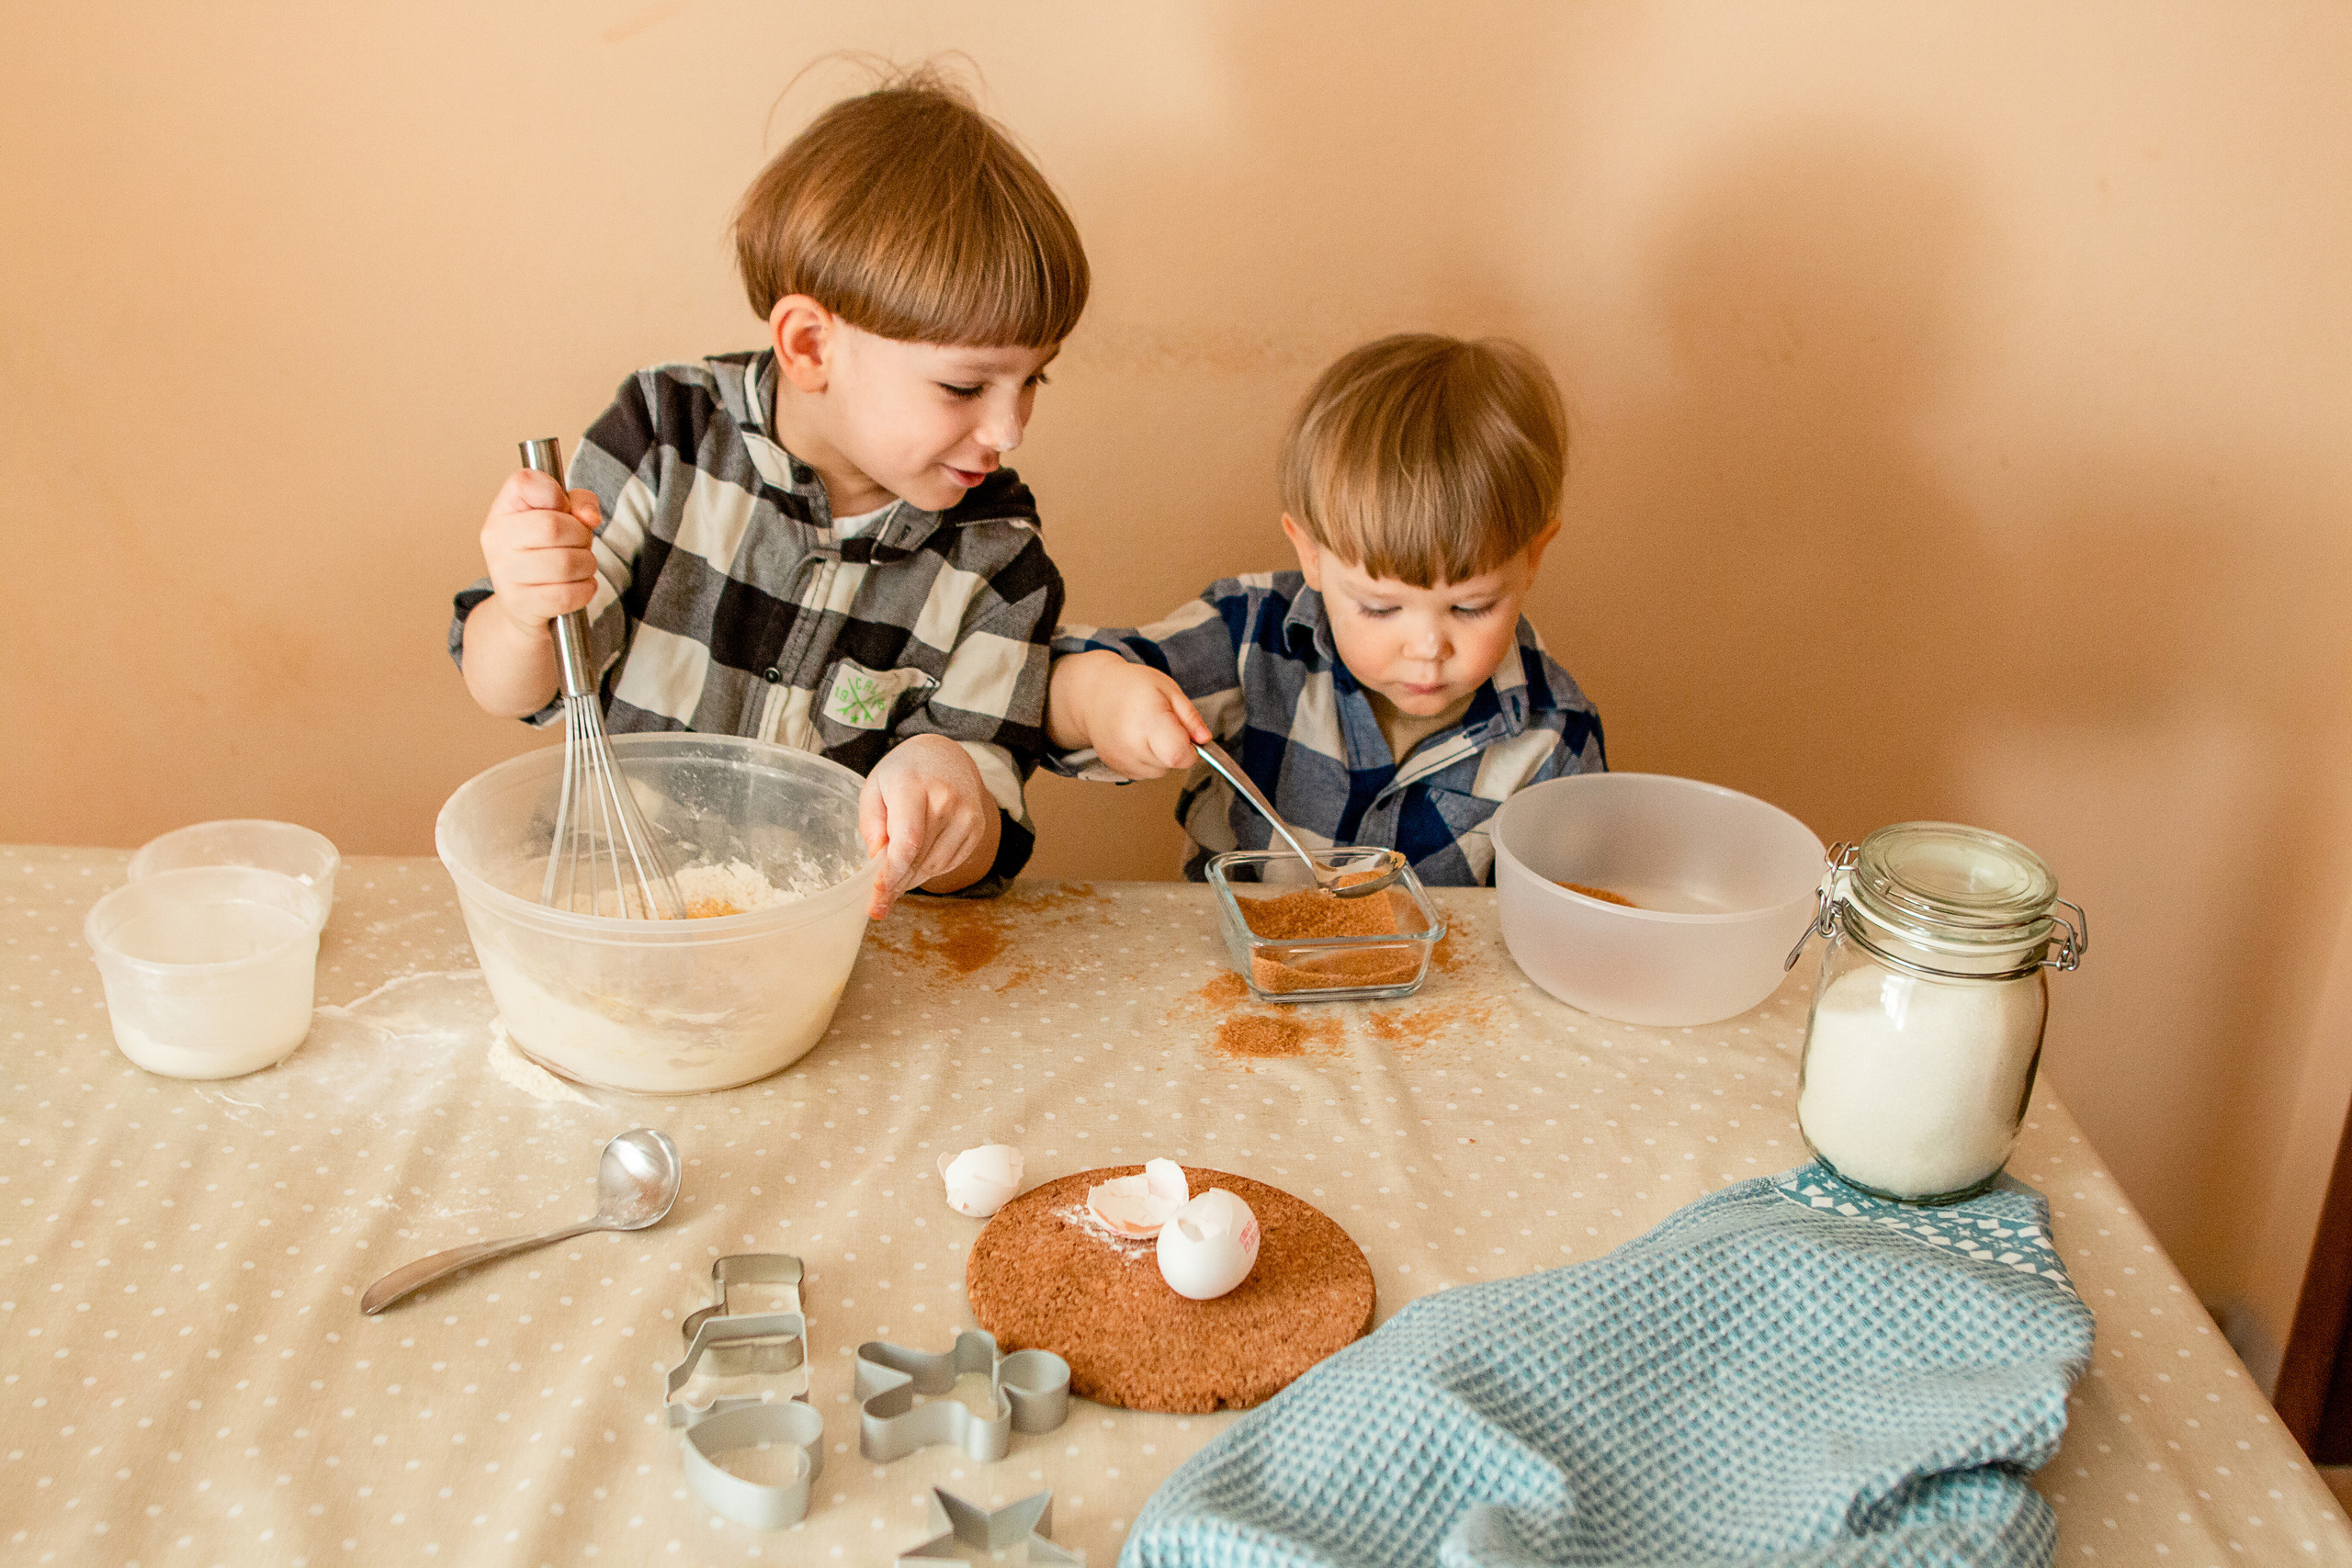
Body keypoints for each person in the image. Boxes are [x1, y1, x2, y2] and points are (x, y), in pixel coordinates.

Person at [449, 69, 1085, 915]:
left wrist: (952, 787)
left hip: (822, 960)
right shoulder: (665, 437)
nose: (1010, 429)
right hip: (604, 913)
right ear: (811, 343)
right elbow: (511, 686)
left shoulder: (998, 561)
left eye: (1033, 379)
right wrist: (528, 607)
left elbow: (987, 830)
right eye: (966, 388)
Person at [1046, 333, 1603, 885]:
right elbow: (1048, 684)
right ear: (1311, 554)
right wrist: (1100, 699)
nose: (1428, 649)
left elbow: (1558, 931)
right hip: (1233, 969)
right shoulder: (1250, 637)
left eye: (1471, 607)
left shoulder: (1556, 737)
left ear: (1532, 558)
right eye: (1381, 608)